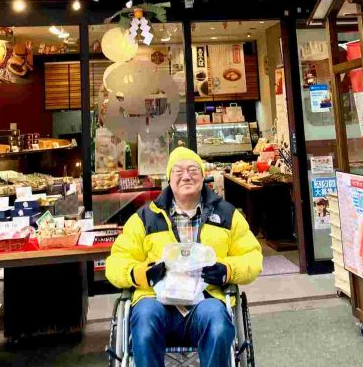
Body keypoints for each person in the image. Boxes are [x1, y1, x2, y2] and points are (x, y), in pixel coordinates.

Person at [106, 147, 263, 367]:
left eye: (193, 170)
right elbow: (115, 262)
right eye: (178, 171)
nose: (186, 176)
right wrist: (139, 274)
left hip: (205, 302)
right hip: (156, 301)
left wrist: (228, 270)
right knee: (144, 319)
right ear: (169, 178)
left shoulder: (227, 215)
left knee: (218, 322)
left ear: (203, 175)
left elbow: (252, 257)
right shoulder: (144, 218)